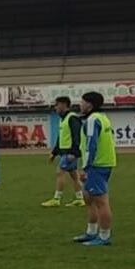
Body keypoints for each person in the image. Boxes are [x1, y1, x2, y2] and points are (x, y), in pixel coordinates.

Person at [73, 92, 117, 246]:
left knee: (101, 201)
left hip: (97, 165)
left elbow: (92, 144)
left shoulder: (92, 120)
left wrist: (86, 167)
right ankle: (91, 232)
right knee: (88, 197)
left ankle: (104, 237)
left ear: (90, 105)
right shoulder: (103, 118)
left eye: (82, 102)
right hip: (104, 163)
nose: (80, 104)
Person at [43, 97, 85, 208]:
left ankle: (57, 199)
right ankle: (80, 198)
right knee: (74, 176)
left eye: (57, 105)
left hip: (69, 153)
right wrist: (54, 152)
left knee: (60, 172)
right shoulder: (64, 119)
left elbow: (77, 136)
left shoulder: (72, 118)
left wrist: (74, 153)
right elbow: (61, 138)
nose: (55, 107)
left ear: (64, 105)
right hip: (66, 152)